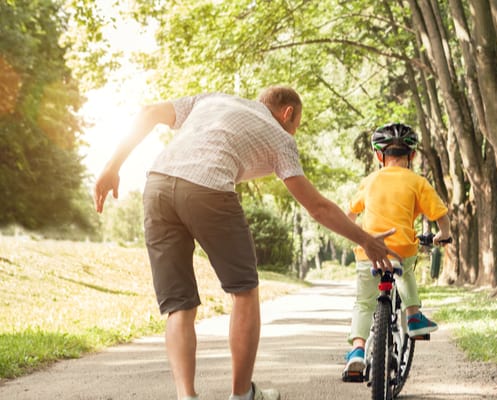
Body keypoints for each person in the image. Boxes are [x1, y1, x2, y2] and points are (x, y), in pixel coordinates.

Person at [93, 87, 400, 400]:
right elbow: (317, 207)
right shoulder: (281, 137)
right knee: (244, 291)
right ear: (288, 113)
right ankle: (241, 395)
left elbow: (148, 113)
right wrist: (364, 239)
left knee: (179, 305)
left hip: (156, 186)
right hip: (208, 189)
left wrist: (111, 167)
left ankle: (186, 397)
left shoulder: (211, 99)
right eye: (297, 123)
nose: (294, 130)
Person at [342, 122, 451, 380]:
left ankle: (357, 351)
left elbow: (349, 215)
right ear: (411, 156)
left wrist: (356, 236)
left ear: (379, 156)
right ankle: (413, 317)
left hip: (368, 249)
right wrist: (443, 235)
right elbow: (440, 215)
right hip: (401, 247)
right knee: (405, 274)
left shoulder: (369, 181)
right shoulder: (417, 181)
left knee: (364, 302)